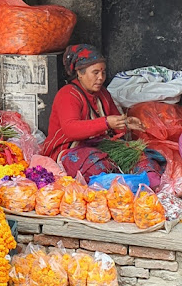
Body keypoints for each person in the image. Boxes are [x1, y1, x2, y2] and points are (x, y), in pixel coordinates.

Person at [42, 44, 164, 186]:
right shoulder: (68, 94)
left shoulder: (103, 94)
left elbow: (115, 125)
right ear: (80, 73)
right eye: (95, 73)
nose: (101, 78)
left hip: (100, 146)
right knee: (96, 162)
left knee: (143, 155)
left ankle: (146, 183)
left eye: (103, 72)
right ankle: (120, 185)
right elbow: (70, 129)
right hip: (70, 150)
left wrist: (125, 124)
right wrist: (106, 122)